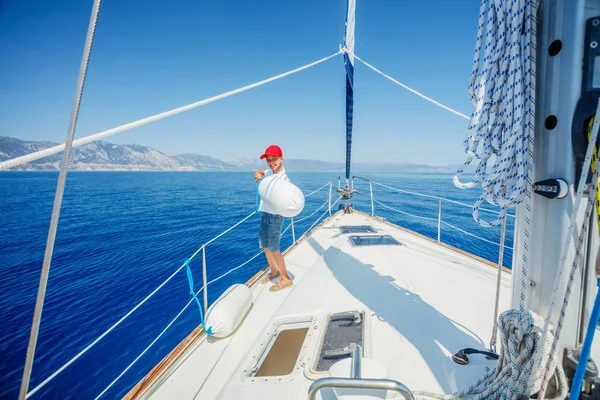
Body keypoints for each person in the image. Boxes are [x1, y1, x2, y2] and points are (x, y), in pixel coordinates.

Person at [254, 145, 294, 292]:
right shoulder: (269, 172)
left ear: (281, 158)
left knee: (274, 248)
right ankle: (274, 271)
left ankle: (285, 278)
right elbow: (260, 172)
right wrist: (258, 174)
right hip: (265, 214)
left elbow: (288, 199)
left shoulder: (284, 179)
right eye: (269, 160)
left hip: (275, 216)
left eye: (274, 159)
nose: (271, 162)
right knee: (265, 246)